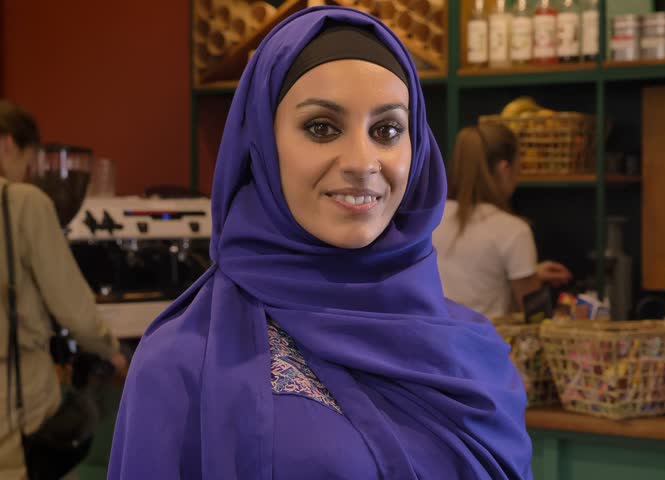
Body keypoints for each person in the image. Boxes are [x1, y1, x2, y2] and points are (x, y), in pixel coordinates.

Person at [108, 7, 532, 480]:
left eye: (387, 130)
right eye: (322, 128)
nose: (362, 161)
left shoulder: (474, 350)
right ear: (262, 145)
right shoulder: (183, 361)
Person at [0, 99, 128, 479]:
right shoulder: (21, 202)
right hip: (11, 402)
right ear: (9, 144)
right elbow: (73, 310)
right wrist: (113, 351)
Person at [433, 124, 572, 319]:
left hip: (432, 345)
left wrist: (531, 273)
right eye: (519, 167)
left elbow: (468, 277)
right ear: (504, 169)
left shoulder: (429, 219)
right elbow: (535, 316)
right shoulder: (513, 230)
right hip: (485, 346)